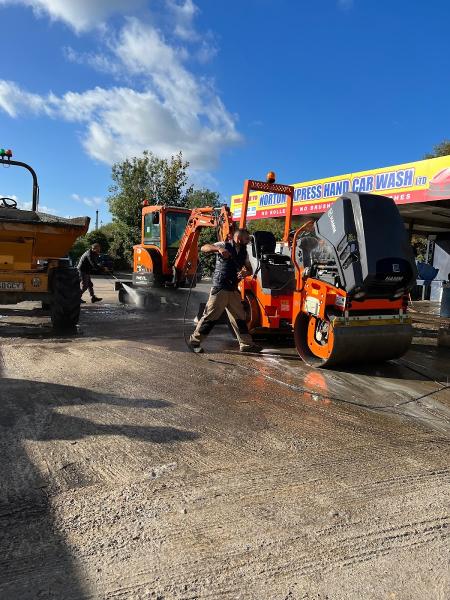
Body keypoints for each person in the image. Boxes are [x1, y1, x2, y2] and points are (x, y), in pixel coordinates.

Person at [189, 228, 262, 354]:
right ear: (238, 238)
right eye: (246, 239)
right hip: (220, 288)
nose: (248, 241)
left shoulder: (244, 252)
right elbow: (204, 248)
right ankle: (194, 342)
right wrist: (218, 249)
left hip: (233, 289)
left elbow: (249, 269)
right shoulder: (223, 244)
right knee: (210, 317)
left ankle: (246, 344)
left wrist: (246, 272)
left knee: (240, 318)